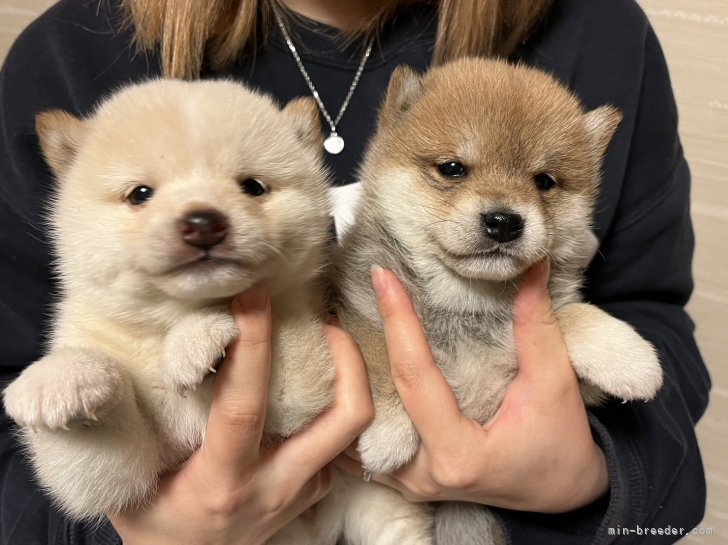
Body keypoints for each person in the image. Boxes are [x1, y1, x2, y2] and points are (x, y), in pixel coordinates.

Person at [0, 0, 710, 543]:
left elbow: (655, 328)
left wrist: (593, 473)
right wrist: (136, 528)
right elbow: (21, 397)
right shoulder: (74, 51)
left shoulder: (599, 30)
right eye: (452, 170)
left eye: (252, 187)